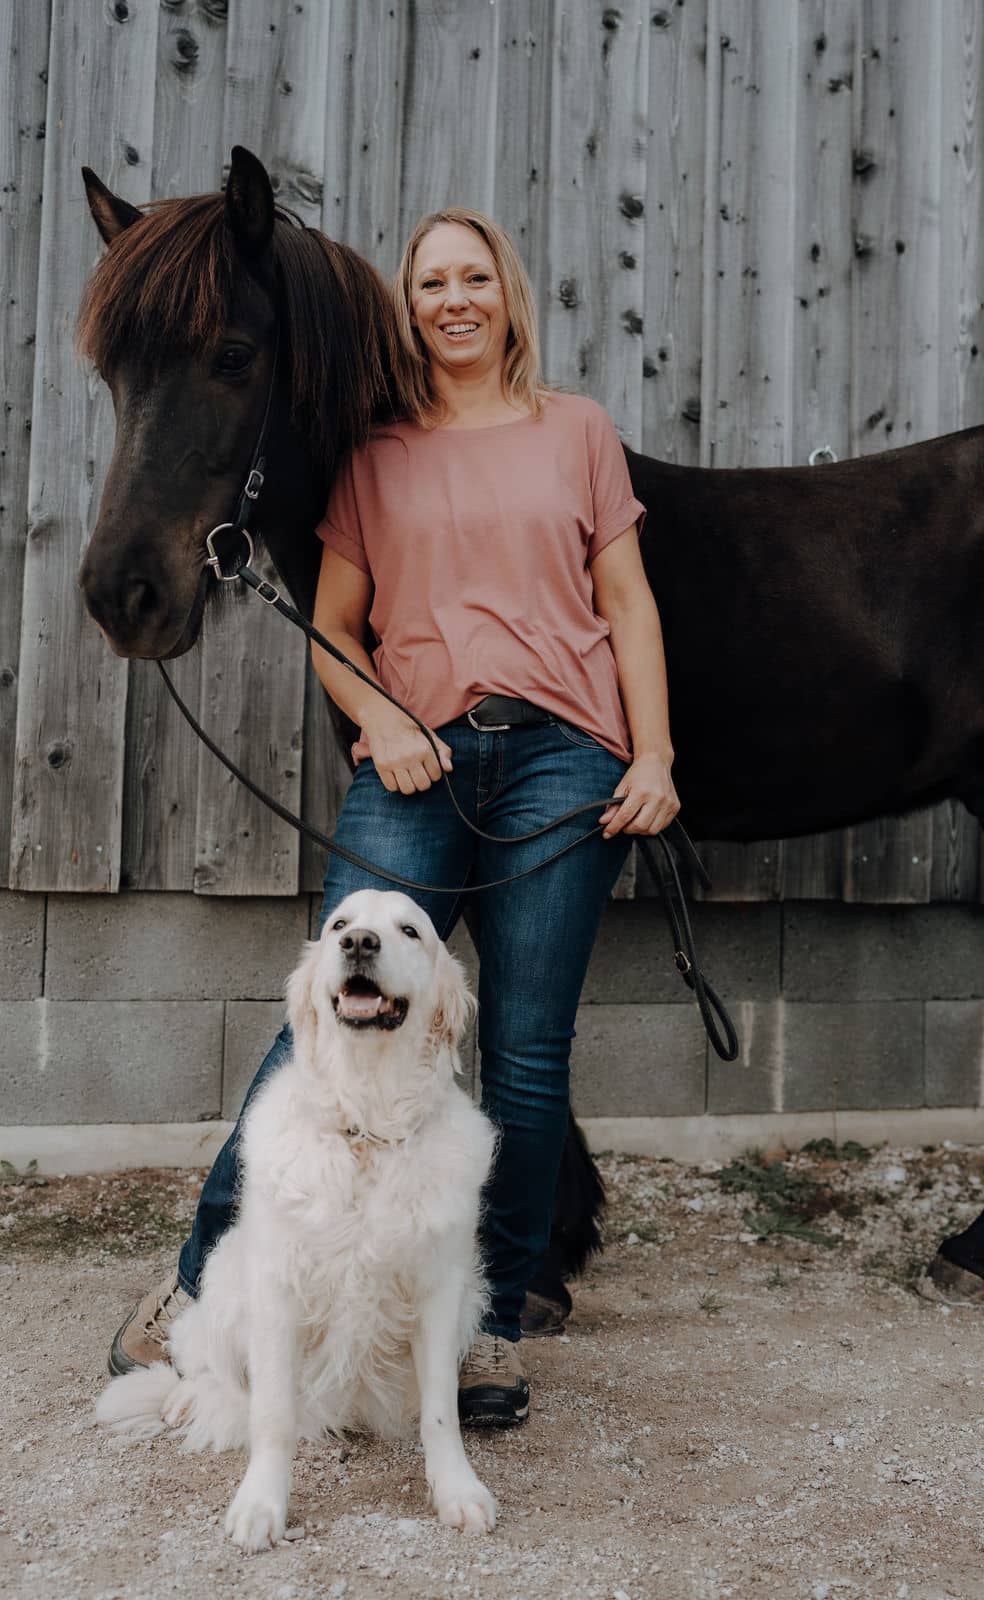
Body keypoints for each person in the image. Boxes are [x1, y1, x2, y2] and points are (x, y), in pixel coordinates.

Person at [109, 207, 679, 1426]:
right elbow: (339, 625)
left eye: (476, 278)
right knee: (318, 1010)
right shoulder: (375, 452)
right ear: (409, 307)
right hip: (415, 761)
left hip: (563, 767)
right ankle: (198, 1284)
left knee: (527, 1054)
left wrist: (654, 754)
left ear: (506, 297)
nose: (455, 299)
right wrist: (388, 720)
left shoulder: (577, 433)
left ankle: (490, 1321)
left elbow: (626, 603)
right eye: (432, 283)